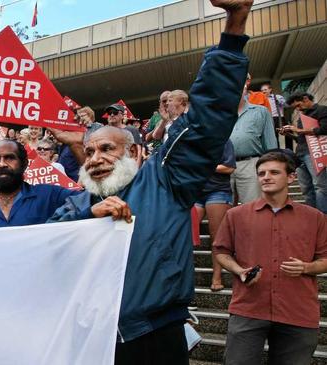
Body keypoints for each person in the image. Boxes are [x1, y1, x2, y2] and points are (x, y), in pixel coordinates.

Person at [47, 1, 253, 361]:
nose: (95, 159)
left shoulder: (165, 180)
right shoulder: (78, 203)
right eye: (90, 152)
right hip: (92, 338)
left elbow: (208, 118)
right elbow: (49, 246)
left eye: (107, 149)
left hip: (155, 336)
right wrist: (91, 216)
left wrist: (234, 26)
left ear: (136, 153)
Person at [213, 151, 327, 364]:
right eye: (261, 173)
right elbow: (221, 252)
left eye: (274, 172)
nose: (266, 177)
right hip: (248, 308)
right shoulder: (236, 215)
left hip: (297, 311)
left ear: (291, 177)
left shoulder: (315, 218)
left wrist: (306, 267)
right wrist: (239, 270)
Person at [0, 140, 80, 229]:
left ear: (24, 164)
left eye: (9, 158)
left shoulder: (49, 196)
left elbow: (90, 200)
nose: (1, 164)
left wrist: (76, 145)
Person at [194, 141, 236, 291]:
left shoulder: (223, 141)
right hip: (195, 191)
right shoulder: (194, 141)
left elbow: (229, 167)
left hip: (218, 190)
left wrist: (205, 167)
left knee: (216, 237)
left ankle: (217, 277)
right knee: (186, 234)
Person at [229, 76, 277, 204]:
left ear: (245, 88)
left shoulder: (261, 112)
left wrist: (271, 170)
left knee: (254, 209)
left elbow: (270, 145)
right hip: (223, 166)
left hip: (251, 164)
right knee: (223, 215)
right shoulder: (218, 115)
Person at [282, 92, 327, 214]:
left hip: (314, 153)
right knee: (306, 188)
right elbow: (301, 138)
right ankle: (311, 215)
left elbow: (324, 129)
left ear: (306, 99)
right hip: (300, 154)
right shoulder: (302, 117)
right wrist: (289, 134)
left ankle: (322, 216)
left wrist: (298, 129)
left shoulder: (322, 110)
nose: (298, 109)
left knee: (320, 186)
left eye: (298, 105)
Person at [261, 82, 291, 148]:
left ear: (270, 89)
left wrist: (280, 101)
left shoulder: (277, 97)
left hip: (279, 118)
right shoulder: (262, 99)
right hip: (269, 119)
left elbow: (286, 105)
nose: (263, 91)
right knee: (274, 136)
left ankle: (289, 149)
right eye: (262, 90)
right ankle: (277, 150)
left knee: (288, 132)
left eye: (265, 89)